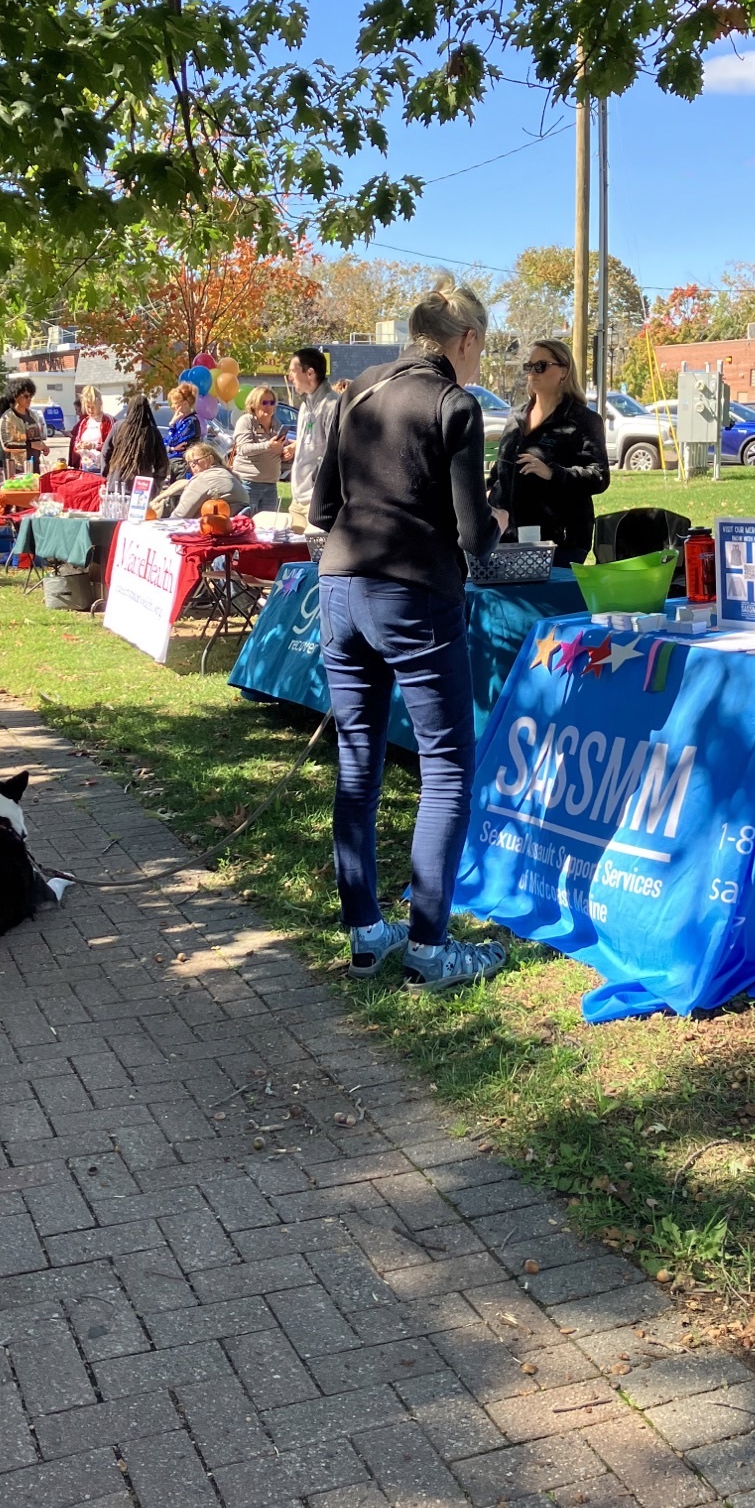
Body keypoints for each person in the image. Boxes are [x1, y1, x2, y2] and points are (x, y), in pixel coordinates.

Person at [310, 277, 509, 994]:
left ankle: (366, 933)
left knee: (358, 759)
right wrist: (498, 524)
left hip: (340, 585)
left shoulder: (357, 393)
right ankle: (429, 945)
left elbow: (322, 506)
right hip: (413, 592)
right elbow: (473, 536)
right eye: (483, 346)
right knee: (447, 768)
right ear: (465, 341)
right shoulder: (455, 403)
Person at [486, 338, 609, 564]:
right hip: (508, 539)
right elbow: (500, 469)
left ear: (564, 371)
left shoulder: (584, 420)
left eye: (541, 366)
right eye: (528, 366)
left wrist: (553, 473)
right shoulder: (516, 416)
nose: (533, 372)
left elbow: (599, 477)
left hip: (560, 542)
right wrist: (489, 494)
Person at [286, 348, 338, 530]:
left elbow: (335, 454)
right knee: (296, 555)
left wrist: (320, 491)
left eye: (293, 371)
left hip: (317, 501)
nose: (290, 377)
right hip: (297, 499)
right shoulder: (305, 406)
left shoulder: (332, 406)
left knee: (315, 557)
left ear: (310, 373)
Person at [151, 439, 250, 519]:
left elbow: (180, 515)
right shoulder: (228, 474)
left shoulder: (204, 479)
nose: (192, 465)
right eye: (189, 463)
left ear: (210, 459)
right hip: (234, 526)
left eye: (195, 461)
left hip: (213, 530)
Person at [232, 387, 289, 514]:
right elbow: (243, 449)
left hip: (271, 485)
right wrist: (268, 445)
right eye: (264, 402)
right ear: (253, 404)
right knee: (245, 524)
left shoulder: (277, 424)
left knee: (267, 527)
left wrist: (285, 452)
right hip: (248, 483)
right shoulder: (246, 421)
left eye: (271, 402)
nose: (268, 406)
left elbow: (277, 450)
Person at [102, 395, 171, 496]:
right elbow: (162, 463)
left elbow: (105, 453)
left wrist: (107, 475)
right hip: (142, 487)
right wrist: (155, 486)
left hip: (116, 484)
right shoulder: (152, 431)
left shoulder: (118, 427)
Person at [0, 379, 48, 479]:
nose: (29, 399)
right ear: (15, 396)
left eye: (31, 396)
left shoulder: (33, 415)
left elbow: (36, 439)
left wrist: (43, 446)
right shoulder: (7, 418)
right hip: (17, 468)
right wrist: (31, 445)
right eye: (26, 396)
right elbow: (7, 445)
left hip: (35, 465)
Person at [163, 382, 203, 474]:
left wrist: (172, 424)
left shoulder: (191, 422)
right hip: (175, 465)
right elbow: (165, 443)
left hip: (184, 466)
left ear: (185, 403)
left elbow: (172, 441)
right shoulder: (180, 421)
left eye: (175, 403)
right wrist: (172, 448)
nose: (173, 406)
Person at [69, 386, 112, 471]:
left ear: (100, 403)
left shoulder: (108, 421)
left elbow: (112, 446)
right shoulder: (84, 422)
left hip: (102, 467)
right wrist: (79, 446)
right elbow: (76, 443)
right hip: (85, 466)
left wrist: (94, 446)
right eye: (87, 407)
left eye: (92, 407)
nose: (90, 410)